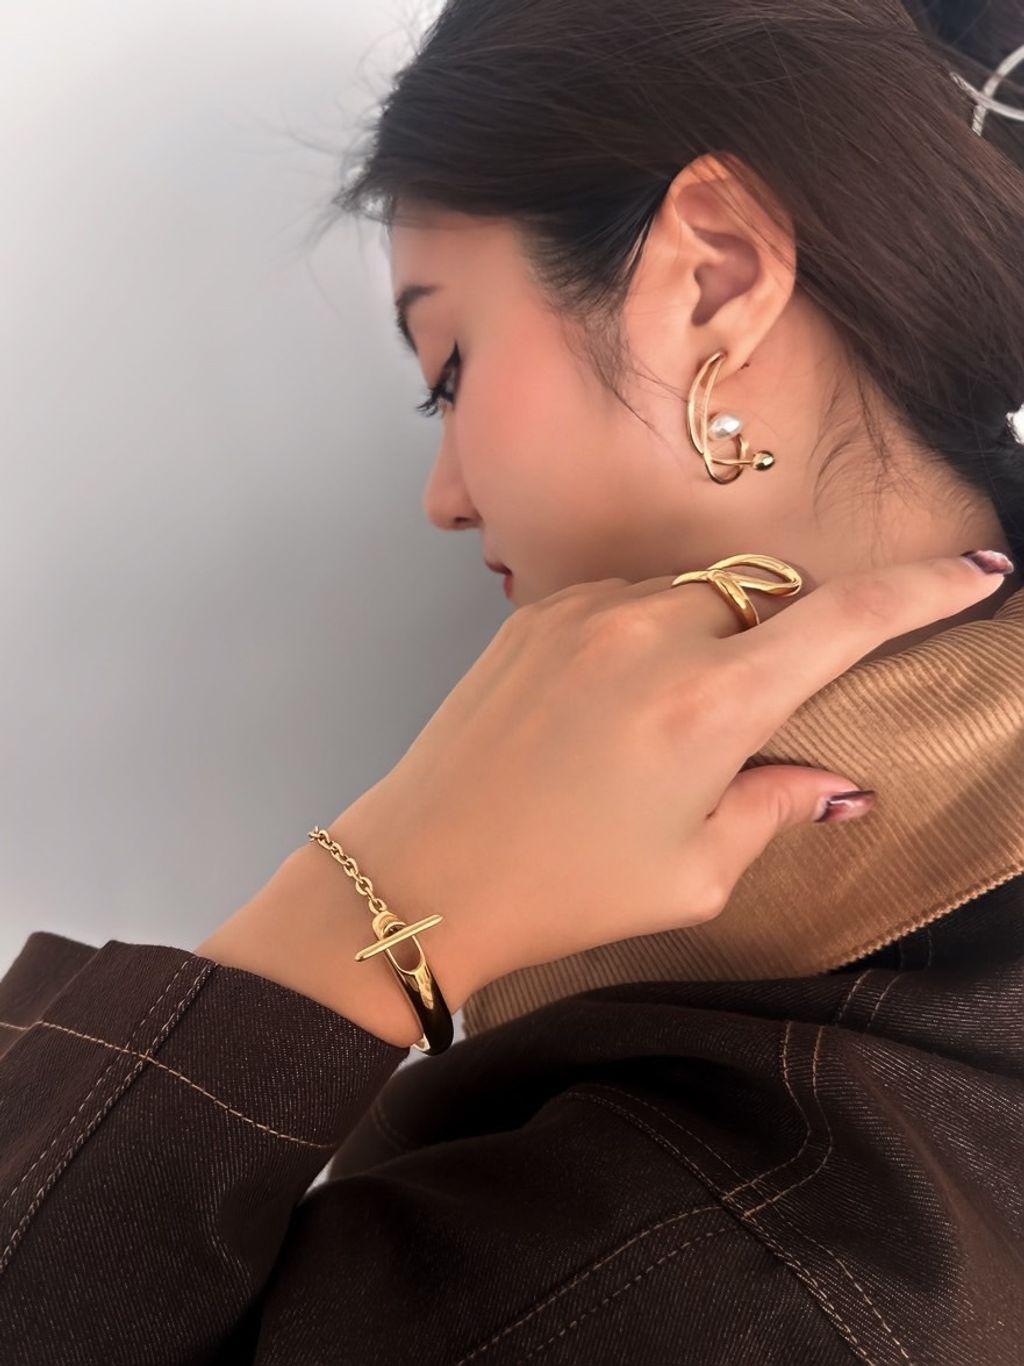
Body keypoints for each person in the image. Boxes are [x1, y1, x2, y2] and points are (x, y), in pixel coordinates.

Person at [2, 2, 1024, 1362]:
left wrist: (368, 901)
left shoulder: (704, 1261)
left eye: (450, 372)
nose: (443, 497)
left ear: (713, 278)